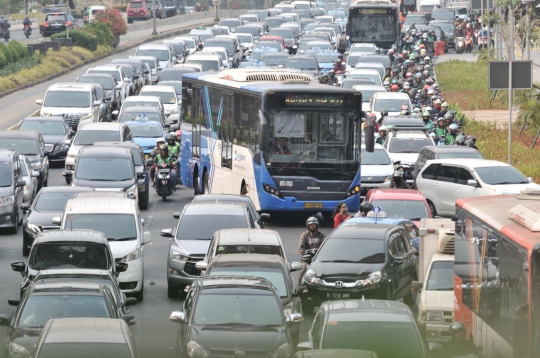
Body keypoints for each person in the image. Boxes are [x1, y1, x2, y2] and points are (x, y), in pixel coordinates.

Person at [297, 217, 326, 286]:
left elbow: (325, 245)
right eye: (311, 224)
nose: (312, 226)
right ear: (308, 226)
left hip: (319, 256)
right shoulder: (305, 235)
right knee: (302, 270)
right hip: (307, 256)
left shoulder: (321, 234)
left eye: (314, 224)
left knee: (323, 270)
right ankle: (299, 286)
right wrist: (304, 251)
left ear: (317, 225)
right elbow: (301, 246)